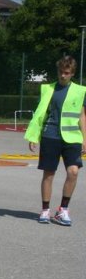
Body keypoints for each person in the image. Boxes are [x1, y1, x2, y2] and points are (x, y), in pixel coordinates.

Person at [25, 55, 86, 226]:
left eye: (66, 73)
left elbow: (82, 115)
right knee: (49, 174)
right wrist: (33, 136)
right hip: (50, 135)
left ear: (72, 73)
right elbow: (40, 114)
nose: (63, 76)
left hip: (72, 137)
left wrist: (84, 138)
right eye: (61, 72)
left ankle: (63, 210)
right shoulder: (48, 89)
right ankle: (45, 210)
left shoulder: (80, 91)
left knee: (73, 172)